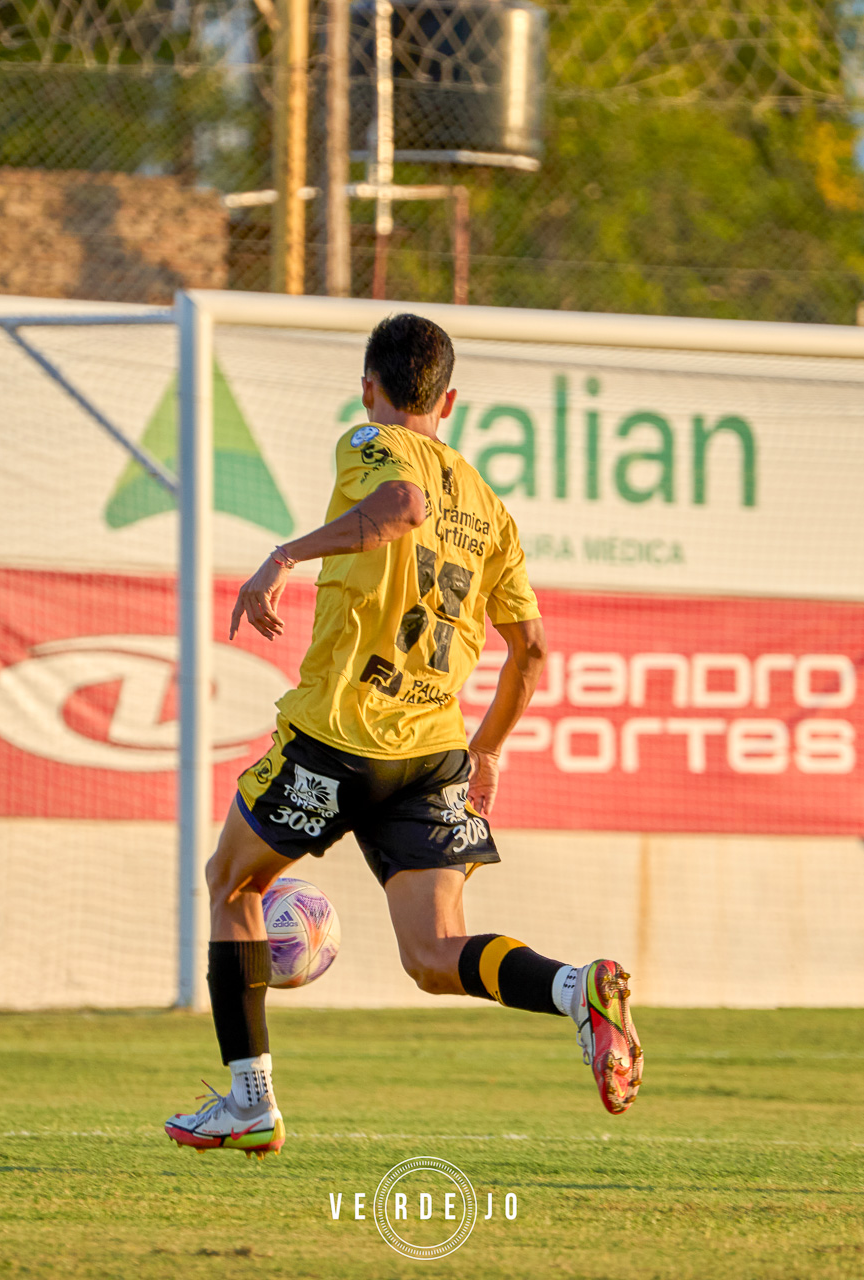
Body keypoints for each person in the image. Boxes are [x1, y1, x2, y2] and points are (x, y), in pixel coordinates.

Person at [164, 314, 645, 1156]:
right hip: (432, 754)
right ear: (450, 400)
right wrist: (487, 750)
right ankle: (577, 990)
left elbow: (400, 507)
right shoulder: (493, 510)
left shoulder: (369, 440)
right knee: (434, 954)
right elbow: (530, 652)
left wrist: (283, 556)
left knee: (231, 883)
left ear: (369, 389)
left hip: (341, 735)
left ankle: (250, 1102)